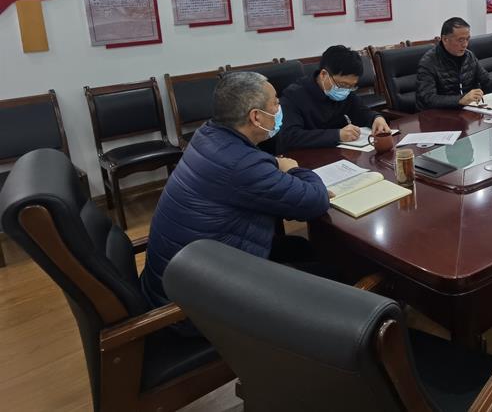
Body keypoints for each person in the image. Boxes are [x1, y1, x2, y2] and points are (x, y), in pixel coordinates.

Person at [140, 72, 332, 312]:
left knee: (299, 248)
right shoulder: (241, 165)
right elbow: (315, 201)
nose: (279, 107)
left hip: (179, 276)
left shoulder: (207, 134)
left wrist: (273, 165)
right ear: (256, 116)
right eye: (275, 102)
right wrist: (293, 169)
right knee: (333, 275)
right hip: (196, 304)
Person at [278, 45, 390, 152]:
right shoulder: (293, 96)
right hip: (305, 156)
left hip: (339, 153)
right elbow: (290, 136)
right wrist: (337, 135)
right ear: (323, 74)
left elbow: (361, 111)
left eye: (351, 86)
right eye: (343, 85)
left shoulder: (346, 91)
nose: (346, 90)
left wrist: (376, 118)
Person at [416, 16, 492, 110]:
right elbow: (428, 99)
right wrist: (460, 99)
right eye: (460, 40)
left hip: (467, 110)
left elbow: (487, 82)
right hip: (438, 115)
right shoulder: (429, 62)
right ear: (445, 39)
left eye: (467, 39)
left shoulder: (469, 56)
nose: (465, 44)